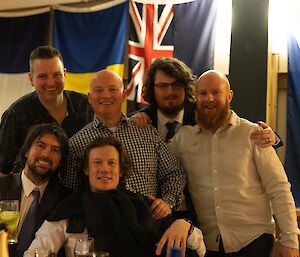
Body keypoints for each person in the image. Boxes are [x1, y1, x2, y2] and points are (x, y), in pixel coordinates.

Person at [170, 70, 299, 257]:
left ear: (229, 96)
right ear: (195, 97)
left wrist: (290, 240)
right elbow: (161, 168)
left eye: (216, 92)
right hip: (206, 247)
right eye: (203, 93)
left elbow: (279, 189)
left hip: (255, 243)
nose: (209, 98)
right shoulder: (183, 140)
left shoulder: (254, 135)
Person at [25, 137, 206, 257]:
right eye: (97, 162)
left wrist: (184, 226)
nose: (105, 169)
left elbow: (200, 250)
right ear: (86, 169)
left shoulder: (143, 205)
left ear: (121, 171)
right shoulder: (68, 209)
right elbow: (34, 252)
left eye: (112, 163)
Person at [61, 69, 186, 220]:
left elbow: (174, 173)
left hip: (149, 226)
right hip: (99, 228)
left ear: (124, 94)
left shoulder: (147, 133)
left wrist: (168, 202)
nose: (106, 95)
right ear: (89, 97)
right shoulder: (76, 143)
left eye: (113, 89)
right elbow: (70, 191)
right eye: (98, 90)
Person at [130, 57, 280, 146]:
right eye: (162, 86)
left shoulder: (204, 113)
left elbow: (235, 127)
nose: (170, 92)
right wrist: (132, 122)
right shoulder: (140, 121)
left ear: (187, 88)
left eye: (176, 85)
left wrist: (272, 137)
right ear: (152, 88)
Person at [0, 45, 93, 174]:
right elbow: (3, 168)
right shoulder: (15, 115)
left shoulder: (86, 105)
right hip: (35, 192)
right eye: (43, 76)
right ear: (31, 79)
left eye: (57, 75)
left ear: (65, 74)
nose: (51, 82)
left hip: (81, 191)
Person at [0, 123, 70, 257]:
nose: (46, 154)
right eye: (40, 145)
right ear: (26, 151)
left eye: (55, 150)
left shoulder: (64, 200)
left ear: (60, 161)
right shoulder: (1, 187)